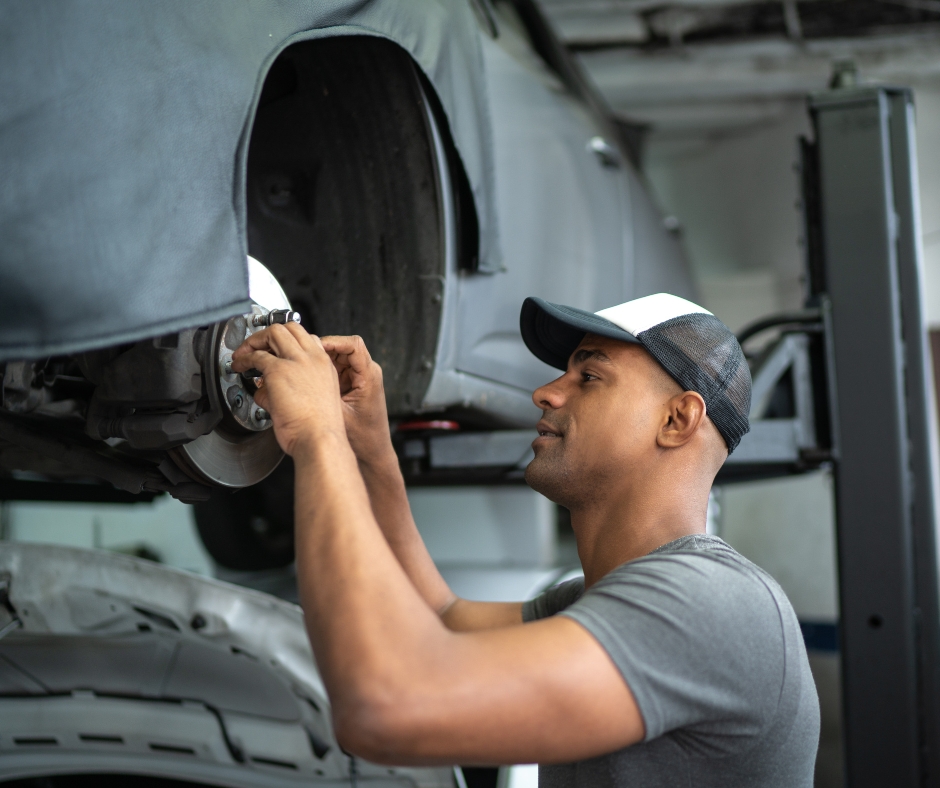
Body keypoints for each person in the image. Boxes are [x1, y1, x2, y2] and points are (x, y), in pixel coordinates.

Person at [231, 292, 820, 787]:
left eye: (589, 376)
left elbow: (388, 707)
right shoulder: (598, 598)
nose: (546, 392)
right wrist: (370, 448)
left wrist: (317, 434)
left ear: (677, 421)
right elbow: (439, 618)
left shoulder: (714, 605)